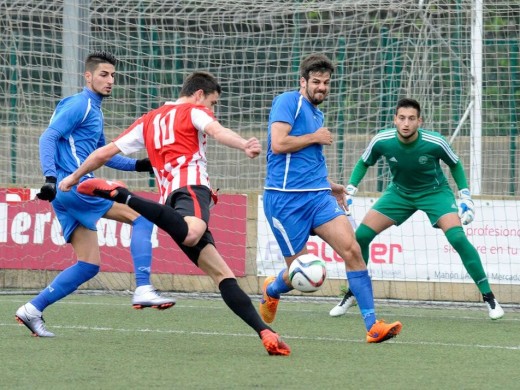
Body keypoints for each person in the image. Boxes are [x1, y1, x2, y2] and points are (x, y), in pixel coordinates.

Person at [58, 71, 291, 356]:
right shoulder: (194, 110)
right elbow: (217, 131)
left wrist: (73, 177)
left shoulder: (149, 119)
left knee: (223, 275)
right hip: (191, 188)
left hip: (168, 204)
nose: (212, 110)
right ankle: (122, 195)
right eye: (213, 103)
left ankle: (265, 333)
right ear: (199, 94)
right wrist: (243, 143)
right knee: (192, 234)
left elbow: (104, 152)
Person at [15, 51, 175, 338]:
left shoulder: (94, 110)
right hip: (77, 186)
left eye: (113, 75)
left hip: (66, 192)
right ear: (87, 76)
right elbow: (48, 136)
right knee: (142, 218)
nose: (110, 80)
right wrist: (50, 178)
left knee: (88, 264)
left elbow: (102, 156)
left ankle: (32, 309)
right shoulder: (81, 105)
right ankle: (142, 287)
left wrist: (140, 165)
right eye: (103, 74)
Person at [259, 53, 402, 343]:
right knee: (300, 275)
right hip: (285, 201)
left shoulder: (317, 113)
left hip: (318, 197)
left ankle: (373, 326)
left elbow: (305, 162)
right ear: (303, 81)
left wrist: (332, 186)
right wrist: (315, 137)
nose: (321, 87)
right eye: (316, 82)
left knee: (352, 249)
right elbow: (278, 143)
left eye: (326, 82)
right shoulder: (288, 102)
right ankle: (272, 290)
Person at [329, 98, 504, 320]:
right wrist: (350, 190)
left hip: (435, 193)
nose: (406, 123)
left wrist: (466, 196)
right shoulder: (382, 140)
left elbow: (455, 164)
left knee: (458, 238)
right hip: (399, 193)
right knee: (360, 236)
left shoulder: (435, 142)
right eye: (401, 118)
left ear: (419, 121)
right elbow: (364, 162)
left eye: (411, 118)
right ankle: (354, 293)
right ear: (395, 119)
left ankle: (489, 297)